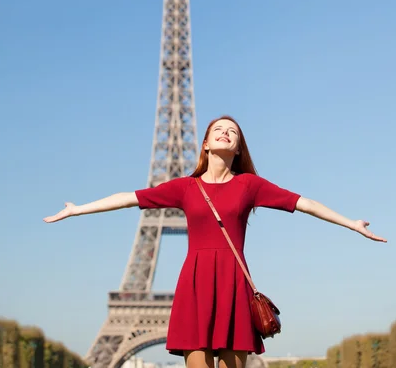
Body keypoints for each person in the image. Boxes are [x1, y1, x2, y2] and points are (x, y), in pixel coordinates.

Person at [44, 116, 387, 368]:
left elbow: (304, 203)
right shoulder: (184, 187)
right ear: (206, 143)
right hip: (195, 282)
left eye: (233, 132)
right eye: (218, 130)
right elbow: (128, 197)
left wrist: (352, 224)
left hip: (233, 283)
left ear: (237, 148)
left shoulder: (250, 185)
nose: (226, 133)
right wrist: (77, 210)